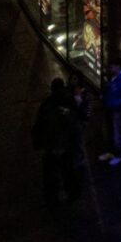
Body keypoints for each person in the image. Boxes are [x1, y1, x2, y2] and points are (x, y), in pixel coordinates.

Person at [31, 78, 83, 207]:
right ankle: (72, 193)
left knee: (51, 175)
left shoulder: (46, 105)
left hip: (52, 146)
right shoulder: (69, 101)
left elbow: (38, 127)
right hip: (66, 145)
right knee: (68, 171)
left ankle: (52, 199)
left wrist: (39, 144)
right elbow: (75, 124)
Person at [99, 63, 121, 165]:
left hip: (118, 109)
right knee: (111, 129)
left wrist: (112, 103)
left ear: (118, 67)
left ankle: (119, 154)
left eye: (111, 66)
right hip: (111, 107)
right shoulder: (114, 76)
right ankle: (111, 151)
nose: (109, 68)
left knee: (117, 130)